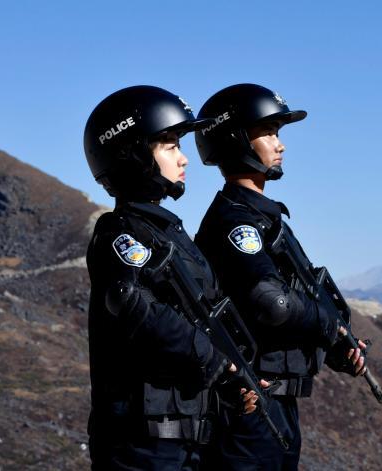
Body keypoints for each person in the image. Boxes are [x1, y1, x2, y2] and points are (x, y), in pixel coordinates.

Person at [83, 85, 260, 470]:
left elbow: (202, 318)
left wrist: (230, 381)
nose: (184, 158)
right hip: (141, 447)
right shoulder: (120, 234)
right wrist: (217, 363)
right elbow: (143, 314)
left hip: (186, 441)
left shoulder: (172, 236)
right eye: (169, 144)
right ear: (132, 153)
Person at [194, 83, 367, 470]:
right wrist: (329, 326)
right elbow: (272, 303)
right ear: (236, 139)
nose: (280, 144)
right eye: (269, 132)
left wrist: (336, 349)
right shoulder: (236, 221)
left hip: (274, 402)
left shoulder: (263, 218)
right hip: (250, 407)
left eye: (279, 133)